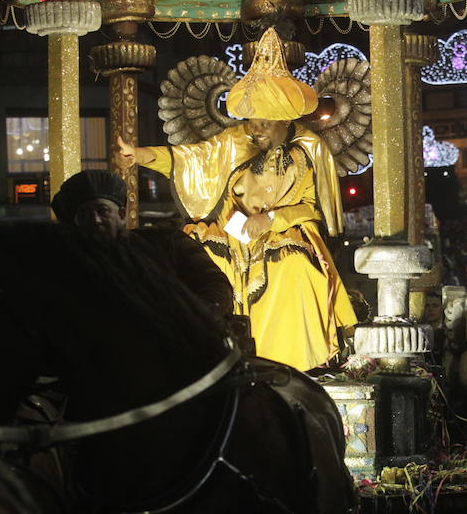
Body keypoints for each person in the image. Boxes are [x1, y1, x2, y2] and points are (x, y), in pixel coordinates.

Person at [115, 27, 356, 371]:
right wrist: (139, 155)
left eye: (261, 123)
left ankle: (294, 366)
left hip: (283, 234)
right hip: (231, 230)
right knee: (199, 264)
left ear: (282, 120)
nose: (254, 129)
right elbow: (188, 158)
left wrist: (271, 221)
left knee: (296, 270)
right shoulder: (234, 139)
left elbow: (312, 208)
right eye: (250, 121)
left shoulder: (310, 149)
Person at [50, 169, 233, 318]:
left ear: (122, 215)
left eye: (102, 211)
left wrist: (191, 318)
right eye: (84, 216)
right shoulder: (74, 268)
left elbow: (216, 285)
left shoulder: (167, 241)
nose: (95, 220)